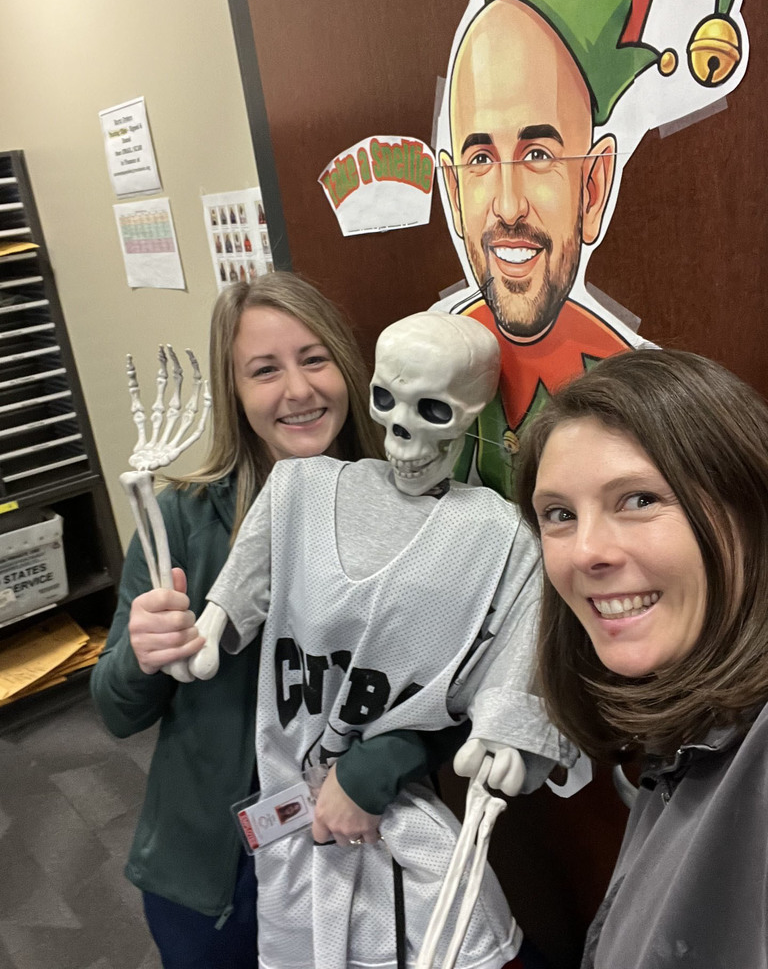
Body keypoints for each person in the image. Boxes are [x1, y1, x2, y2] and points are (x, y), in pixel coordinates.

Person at [91, 273, 462, 969]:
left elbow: (453, 690)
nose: (297, 390)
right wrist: (139, 655)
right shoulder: (181, 523)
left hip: (355, 844)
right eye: (265, 370)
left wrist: (378, 768)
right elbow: (115, 713)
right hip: (212, 872)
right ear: (236, 393)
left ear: (348, 370)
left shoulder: (419, 520)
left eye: (314, 358)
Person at [181, 310, 571, 969]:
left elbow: (518, 654)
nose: (405, 430)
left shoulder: (498, 536)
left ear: (471, 413)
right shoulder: (296, 490)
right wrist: (215, 619)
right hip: (281, 806)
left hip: (395, 815)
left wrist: (508, 732)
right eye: (387, 401)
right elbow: (245, 576)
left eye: (432, 411)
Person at [433, 0, 752, 496]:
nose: (508, 206)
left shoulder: (631, 385)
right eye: (480, 160)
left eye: (539, 155)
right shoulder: (434, 364)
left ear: (594, 186)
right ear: (454, 190)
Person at [516, 347, 768, 969]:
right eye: (560, 515)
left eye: (638, 500)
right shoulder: (693, 741)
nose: (585, 552)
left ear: (751, 508)